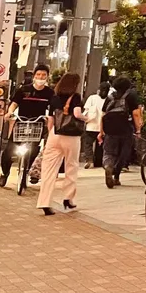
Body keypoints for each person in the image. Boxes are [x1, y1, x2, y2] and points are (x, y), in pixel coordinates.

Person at [37, 73, 85, 216]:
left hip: (54, 134)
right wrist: (87, 118)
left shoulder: (55, 97)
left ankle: (44, 202)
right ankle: (67, 198)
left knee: (48, 170)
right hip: (71, 136)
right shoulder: (75, 97)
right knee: (71, 166)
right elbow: (77, 114)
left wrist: (50, 134)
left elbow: (50, 119)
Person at [0, 65, 53, 187]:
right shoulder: (23, 90)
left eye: (43, 75)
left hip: (37, 125)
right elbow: (14, 104)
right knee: (8, 151)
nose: (40, 77)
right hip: (21, 123)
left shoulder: (50, 93)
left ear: (47, 77)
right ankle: (4, 174)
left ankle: (28, 171)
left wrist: (50, 117)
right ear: (34, 76)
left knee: (34, 150)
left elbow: (52, 108)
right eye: (38, 75)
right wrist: (10, 112)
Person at [100, 77, 142, 187]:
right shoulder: (131, 96)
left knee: (109, 151)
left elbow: (103, 115)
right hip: (126, 129)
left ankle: (109, 166)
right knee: (123, 153)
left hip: (110, 130)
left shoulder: (110, 97)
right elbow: (136, 114)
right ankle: (116, 176)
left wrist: (101, 131)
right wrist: (138, 129)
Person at [83, 84, 107, 169]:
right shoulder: (109, 99)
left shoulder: (92, 98)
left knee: (88, 143)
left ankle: (89, 160)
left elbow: (86, 110)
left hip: (91, 125)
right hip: (103, 126)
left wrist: (84, 119)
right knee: (100, 145)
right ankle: (99, 162)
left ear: (99, 90)